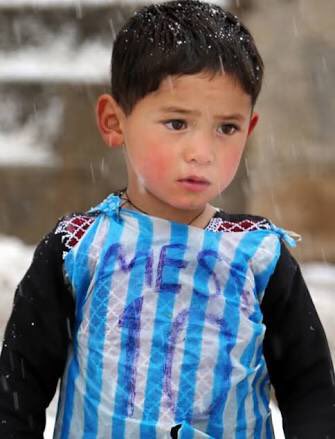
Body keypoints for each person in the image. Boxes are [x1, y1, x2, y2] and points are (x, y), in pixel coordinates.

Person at [0, 0, 334, 438]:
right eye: (178, 123)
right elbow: (17, 390)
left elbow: (311, 392)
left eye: (226, 128)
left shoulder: (258, 257)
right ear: (113, 121)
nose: (202, 151)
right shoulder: (78, 249)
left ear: (249, 130)